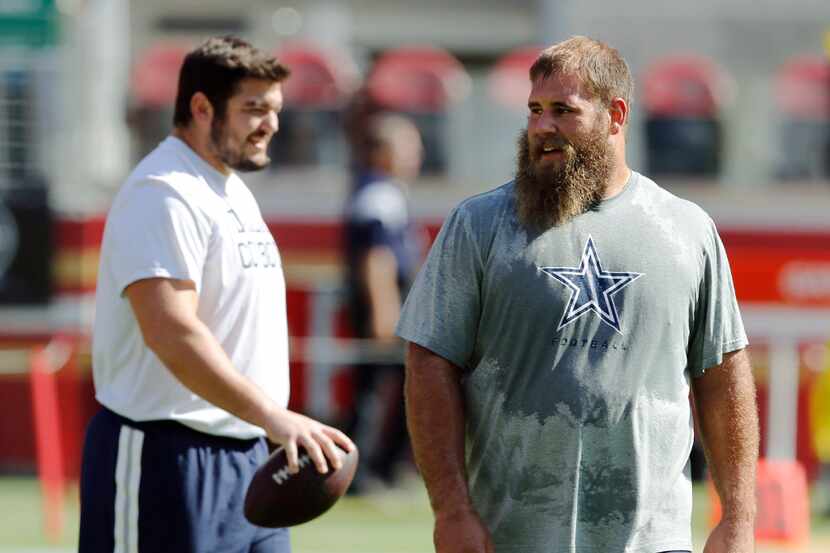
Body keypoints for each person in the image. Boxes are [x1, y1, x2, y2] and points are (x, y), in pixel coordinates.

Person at [397, 36, 759, 553]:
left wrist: (739, 520)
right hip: (512, 538)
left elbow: (723, 376)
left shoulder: (687, 230)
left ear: (615, 115)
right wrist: (451, 509)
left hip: (653, 543)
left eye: (563, 110)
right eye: (534, 110)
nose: (542, 127)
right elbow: (429, 362)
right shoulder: (479, 225)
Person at [79, 36, 354, 553]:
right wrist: (274, 416)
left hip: (251, 456)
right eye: (253, 109)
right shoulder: (163, 191)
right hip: (167, 457)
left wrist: (268, 426)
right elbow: (171, 331)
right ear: (201, 107)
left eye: (274, 109)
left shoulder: (227, 189)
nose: (271, 124)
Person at [342, 113, 425, 491]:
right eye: (407, 148)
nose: (416, 156)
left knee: (381, 389)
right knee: (375, 393)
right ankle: (363, 472)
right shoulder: (379, 195)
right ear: (381, 152)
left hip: (390, 304)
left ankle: (379, 467)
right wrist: (384, 312)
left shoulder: (382, 191)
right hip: (384, 307)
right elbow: (377, 260)